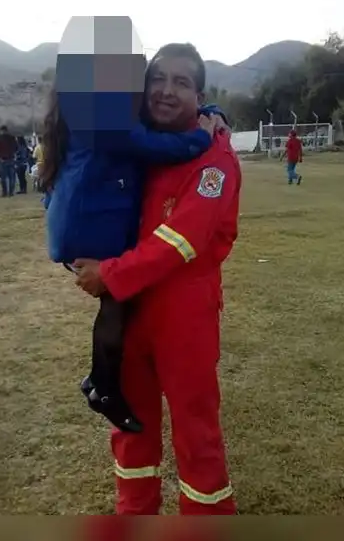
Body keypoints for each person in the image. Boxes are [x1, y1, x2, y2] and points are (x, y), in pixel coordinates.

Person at [71, 42, 241, 515]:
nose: (166, 91)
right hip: (127, 310)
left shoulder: (215, 157)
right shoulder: (142, 142)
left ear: (199, 94)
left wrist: (110, 274)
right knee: (129, 428)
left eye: (181, 83)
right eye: (157, 79)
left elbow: (183, 240)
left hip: (182, 313)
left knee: (195, 432)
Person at [0, 125, 18, 196]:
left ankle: (4, 192)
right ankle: (11, 192)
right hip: (11, 159)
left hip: (2, 159)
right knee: (12, 177)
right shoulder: (12, 138)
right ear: (7, 130)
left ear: (1, 130)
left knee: (3, 177)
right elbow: (16, 147)